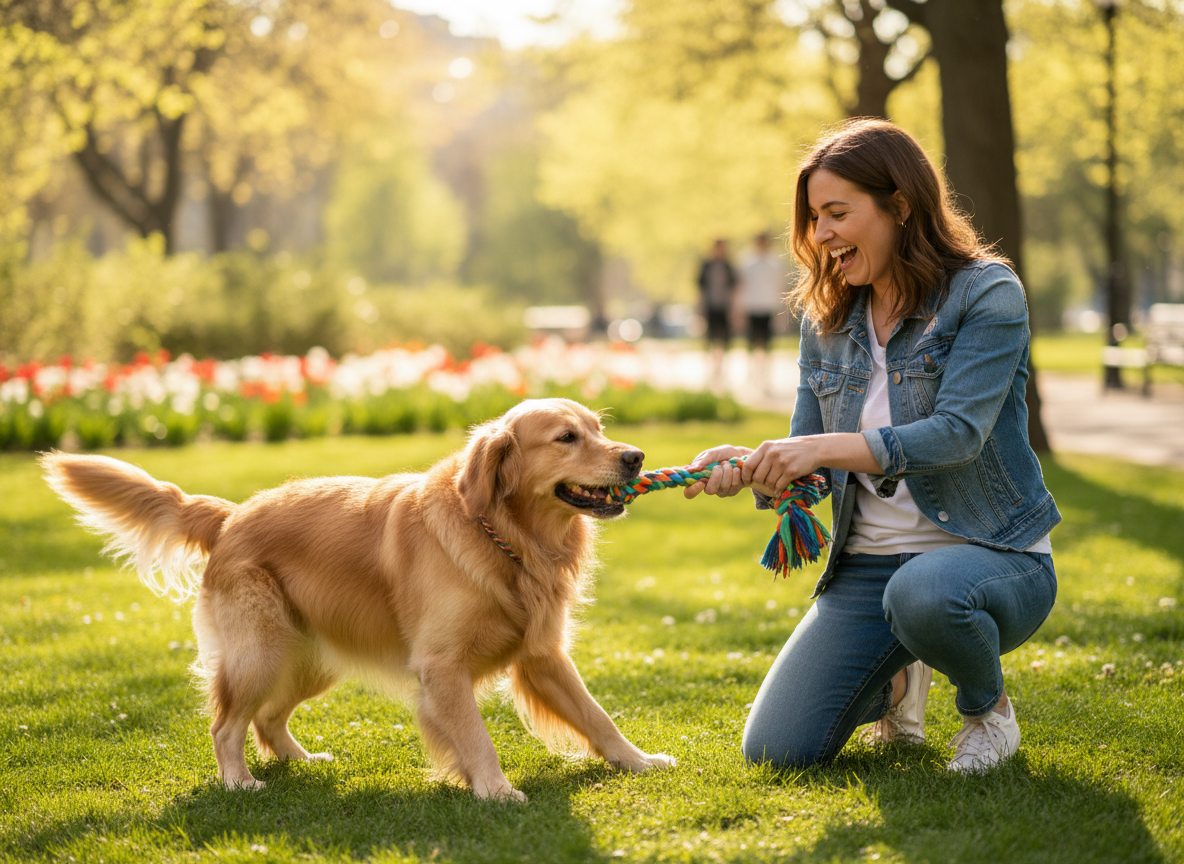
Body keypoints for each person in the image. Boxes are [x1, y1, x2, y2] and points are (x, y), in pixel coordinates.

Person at [683, 118, 1060, 773]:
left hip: (990, 554)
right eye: (813, 217)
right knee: (777, 750)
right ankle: (896, 681)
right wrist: (748, 468)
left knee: (923, 593)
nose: (819, 234)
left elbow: (957, 436)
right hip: (866, 569)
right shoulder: (826, 321)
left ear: (900, 207)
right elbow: (809, 461)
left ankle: (987, 711)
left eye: (836, 213)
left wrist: (821, 447)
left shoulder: (985, 293)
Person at [737, 232, 786, 394]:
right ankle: (750, 375)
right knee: (750, 344)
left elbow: (780, 288)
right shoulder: (746, 262)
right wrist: (740, 309)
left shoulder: (775, 264)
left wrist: (781, 312)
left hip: (768, 307)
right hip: (751, 307)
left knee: (767, 345)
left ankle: (766, 377)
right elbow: (741, 288)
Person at [697, 238, 738, 389]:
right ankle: (710, 371)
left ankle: (721, 371)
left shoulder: (729, 266)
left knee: (724, 340)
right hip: (710, 307)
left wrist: (734, 309)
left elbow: (734, 289)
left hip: (724, 308)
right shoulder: (706, 266)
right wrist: (700, 308)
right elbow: (701, 289)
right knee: (709, 340)